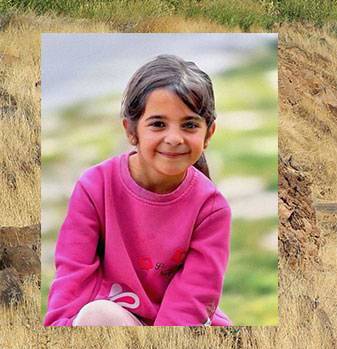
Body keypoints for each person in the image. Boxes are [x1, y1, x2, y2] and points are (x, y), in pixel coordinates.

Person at [45, 54, 231, 327]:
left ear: (209, 133)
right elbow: (73, 276)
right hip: (114, 322)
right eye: (158, 124)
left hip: (178, 330)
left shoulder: (211, 209)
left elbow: (193, 299)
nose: (174, 138)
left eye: (189, 125)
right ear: (131, 131)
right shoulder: (95, 187)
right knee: (96, 316)